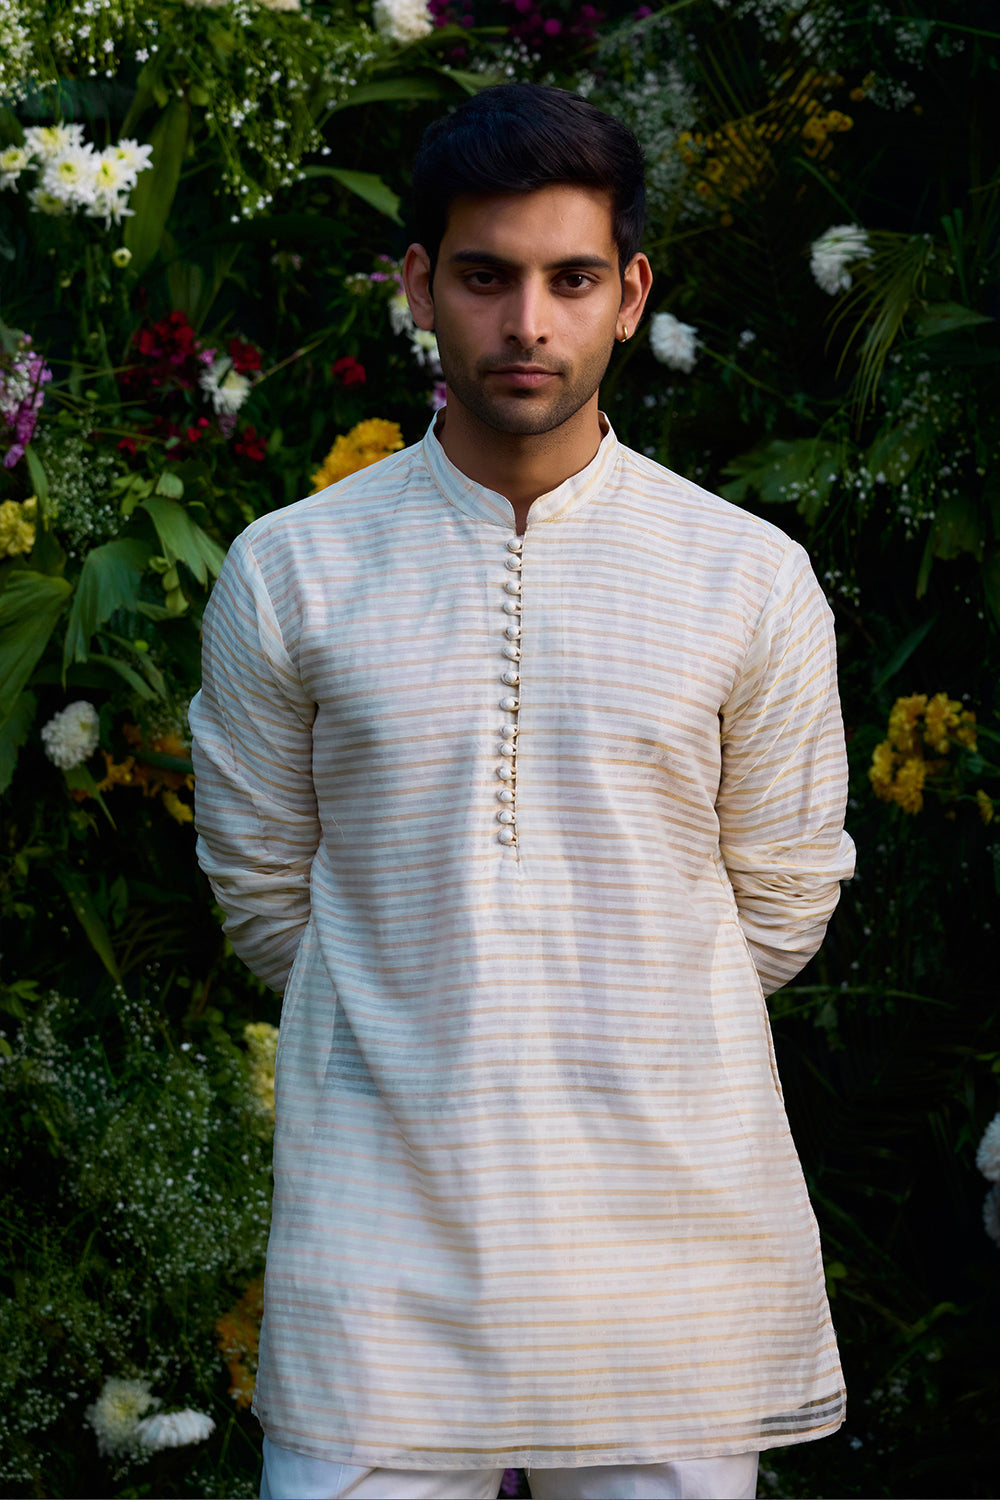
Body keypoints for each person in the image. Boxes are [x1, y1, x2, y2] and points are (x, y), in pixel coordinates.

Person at [190, 83, 856, 1500]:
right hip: (377, 1233)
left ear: (631, 293)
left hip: (666, 1228)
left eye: (570, 280)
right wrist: (428, 1019)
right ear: (422, 286)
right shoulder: (294, 570)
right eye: (487, 277)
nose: (529, 324)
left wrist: (620, 1027)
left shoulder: (743, 574)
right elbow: (260, 885)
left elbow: (787, 891)